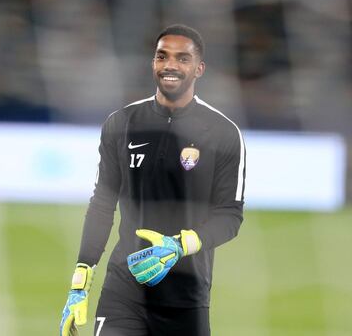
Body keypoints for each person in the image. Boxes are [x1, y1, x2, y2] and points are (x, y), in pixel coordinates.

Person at [59, 24, 246, 336]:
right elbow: (102, 205)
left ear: (199, 68)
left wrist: (179, 245)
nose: (170, 65)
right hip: (123, 290)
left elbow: (230, 215)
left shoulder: (224, 133)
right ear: (153, 63)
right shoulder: (122, 124)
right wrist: (80, 283)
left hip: (186, 299)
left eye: (182, 58)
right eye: (162, 56)